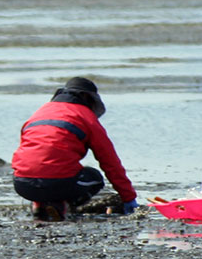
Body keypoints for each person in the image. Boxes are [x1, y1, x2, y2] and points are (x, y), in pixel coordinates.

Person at [12, 76, 138, 222]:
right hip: (59, 184)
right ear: (86, 97)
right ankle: (61, 205)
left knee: (44, 171)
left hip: (22, 184)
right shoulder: (86, 117)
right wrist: (129, 198)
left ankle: (39, 205)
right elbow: (110, 162)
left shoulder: (40, 112)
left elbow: (31, 152)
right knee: (95, 178)